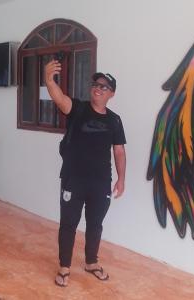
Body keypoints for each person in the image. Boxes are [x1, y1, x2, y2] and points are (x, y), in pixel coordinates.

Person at [45, 59, 126, 287]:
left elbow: (119, 151)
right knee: (69, 223)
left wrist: (121, 179)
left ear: (112, 94)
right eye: (95, 84)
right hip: (73, 178)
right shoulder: (78, 108)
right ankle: (64, 267)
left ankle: (91, 262)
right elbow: (59, 98)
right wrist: (49, 80)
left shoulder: (114, 120)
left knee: (95, 223)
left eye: (104, 86)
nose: (98, 88)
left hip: (101, 182)